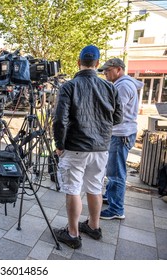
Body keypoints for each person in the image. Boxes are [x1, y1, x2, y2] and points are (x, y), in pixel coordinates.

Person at [52, 45, 123, 249]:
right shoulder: (110, 87)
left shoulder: (69, 86)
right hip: (101, 148)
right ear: (98, 64)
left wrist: (59, 145)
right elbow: (117, 117)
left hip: (75, 147)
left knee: (73, 189)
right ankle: (93, 226)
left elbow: (60, 120)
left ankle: (73, 234)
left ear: (78, 62)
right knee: (95, 187)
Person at [98, 58, 144, 220]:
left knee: (116, 172)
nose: (105, 74)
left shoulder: (123, 86)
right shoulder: (120, 84)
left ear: (118, 69)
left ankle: (116, 208)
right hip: (119, 133)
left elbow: (114, 111)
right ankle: (111, 197)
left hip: (121, 134)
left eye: (107, 70)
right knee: (112, 169)